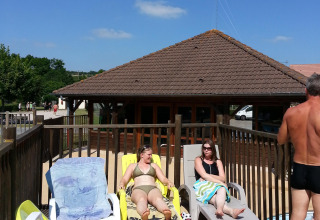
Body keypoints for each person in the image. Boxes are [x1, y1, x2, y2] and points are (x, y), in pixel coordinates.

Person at [278, 73, 320, 220]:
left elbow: (281, 140)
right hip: (318, 167)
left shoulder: (291, 112)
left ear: (306, 90)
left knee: (297, 214)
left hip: (299, 167)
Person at [119, 145, 174, 220]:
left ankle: (166, 212)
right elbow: (125, 178)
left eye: (151, 154)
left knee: (158, 199)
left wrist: (168, 182)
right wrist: (122, 184)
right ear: (142, 155)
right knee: (141, 200)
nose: (151, 156)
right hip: (138, 189)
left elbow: (163, 178)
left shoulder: (154, 165)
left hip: (152, 188)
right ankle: (144, 214)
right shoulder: (133, 166)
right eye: (149, 154)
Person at [194, 139, 245, 218]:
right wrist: (220, 182)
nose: (206, 150)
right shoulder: (198, 159)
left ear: (213, 150)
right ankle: (231, 211)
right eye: (204, 148)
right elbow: (203, 176)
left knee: (220, 191)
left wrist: (210, 176)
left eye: (209, 148)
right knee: (219, 190)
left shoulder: (218, 162)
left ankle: (220, 209)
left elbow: (222, 178)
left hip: (215, 185)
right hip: (202, 185)